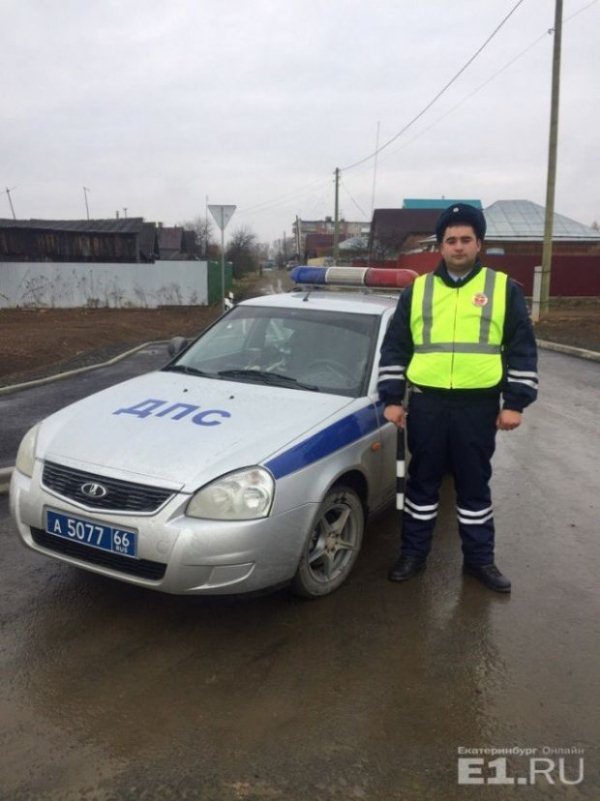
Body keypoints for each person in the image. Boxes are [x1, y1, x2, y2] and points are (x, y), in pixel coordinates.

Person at [378, 203, 538, 592]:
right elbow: (396, 347)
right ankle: (414, 554)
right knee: (422, 483)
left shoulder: (502, 289)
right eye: (451, 240)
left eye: (466, 239)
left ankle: (480, 561)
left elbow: (521, 348)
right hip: (428, 404)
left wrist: (515, 403)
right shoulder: (418, 290)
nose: (458, 246)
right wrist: (392, 397)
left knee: (473, 485)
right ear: (441, 245)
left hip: (477, 406)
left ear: (478, 243)